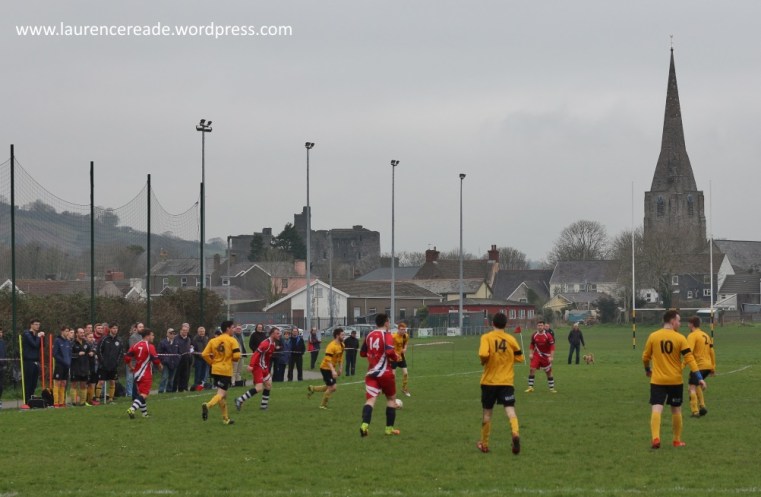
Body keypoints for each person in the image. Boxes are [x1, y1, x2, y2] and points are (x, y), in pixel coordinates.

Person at [642, 310, 706, 449]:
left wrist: (647, 369)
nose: (680, 323)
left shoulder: (653, 336)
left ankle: (656, 438)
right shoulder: (680, 338)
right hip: (675, 381)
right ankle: (676, 441)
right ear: (672, 321)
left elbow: (645, 357)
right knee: (676, 410)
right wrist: (699, 377)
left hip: (657, 380)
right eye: (678, 320)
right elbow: (690, 358)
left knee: (656, 408)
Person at [477, 312, 524, 454]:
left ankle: (484, 444)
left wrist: (485, 361)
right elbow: (520, 357)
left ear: (492, 323)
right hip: (506, 382)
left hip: (489, 382)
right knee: (510, 410)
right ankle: (515, 432)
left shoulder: (486, 337)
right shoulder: (511, 339)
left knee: (487, 413)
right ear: (506, 325)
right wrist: (507, 358)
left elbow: (483, 354)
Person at [359, 313, 401, 437]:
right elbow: (389, 351)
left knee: (370, 400)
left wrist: (373, 355)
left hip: (371, 373)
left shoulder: (369, 335)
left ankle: (364, 425)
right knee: (391, 399)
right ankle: (389, 429)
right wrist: (396, 357)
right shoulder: (387, 335)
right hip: (385, 373)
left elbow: (362, 353)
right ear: (386, 322)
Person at [201, 320, 241, 425]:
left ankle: (225, 419)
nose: (233, 329)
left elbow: (204, 354)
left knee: (223, 395)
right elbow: (237, 356)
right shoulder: (232, 340)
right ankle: (208, 405)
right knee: (221, 393)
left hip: (215, 370)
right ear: (227, 328)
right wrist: (231, 358)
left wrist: (212, 363)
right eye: (232, 327)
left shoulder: (213, 340)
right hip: (225, 370)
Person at [235, 327, 281, 412]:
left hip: (264, 367)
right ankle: (240, 399)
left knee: (268, 385)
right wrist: (251, 365)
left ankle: (263, 406)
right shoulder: (265, 344)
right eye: (277, 333)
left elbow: (267, 358)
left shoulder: (273, 343)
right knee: (259, 388)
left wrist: (267, 369)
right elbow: (256, 354)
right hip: (257, 367)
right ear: (272, 334)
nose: (279, 335)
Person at [125, 328, 162, 419]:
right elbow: (156, 360)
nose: (153, 337)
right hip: (146, 374)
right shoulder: (150, 346)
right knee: (144, 394)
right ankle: (132, 409)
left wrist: (131, 367)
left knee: (141, 394)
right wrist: (160, 366)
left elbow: (127, 357)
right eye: (152, 335)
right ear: (147, 336)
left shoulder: (135, 345)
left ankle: (144, 414)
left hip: (137, 373)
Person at [685, 316, 716, 418]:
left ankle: (695, 411)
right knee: (697, 385)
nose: (688, 325)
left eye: (688, 323)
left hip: (699, 366)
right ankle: (702, 406)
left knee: (691, 388)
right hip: (707, 366)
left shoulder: (692, 335)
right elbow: (712, 351)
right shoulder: (705, 335)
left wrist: (682, 365)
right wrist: (713, 367)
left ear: (692, 324)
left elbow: (688, 352)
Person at [308, 328, 345, 409]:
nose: (344, 336)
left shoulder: (342, 345)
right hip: (325, 368)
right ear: (337, 336)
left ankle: (313, 388)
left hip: (331, 368)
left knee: (331, 387)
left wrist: (340, 368)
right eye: (342, 335)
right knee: (332, 387)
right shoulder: (331, 346)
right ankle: (323, 405)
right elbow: (328, 360)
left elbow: (340, 358)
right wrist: (333, 371)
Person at [525, 320, 556, 393]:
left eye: (541, 325)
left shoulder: (548, 335)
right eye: (539, 325)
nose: (540, 327)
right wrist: (531, 353)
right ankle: (530, 387)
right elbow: (532, 344)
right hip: (537, 354)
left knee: (548, 372)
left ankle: (551, 388)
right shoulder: (534, 335)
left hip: (546, 356)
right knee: (532, 369)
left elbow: (552, 346)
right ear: (537, 326)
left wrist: (551, 357)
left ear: (544, 326)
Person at [97, 323, 123, 403]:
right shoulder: (104, 339)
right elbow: (99, 350)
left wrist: (117, 362)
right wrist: (102, 361)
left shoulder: (119, 340)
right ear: (110, 329)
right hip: (104, 365)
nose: (115, 330)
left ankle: (110, 399)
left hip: (113, 365)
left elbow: (121, 352)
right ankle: (97, 398)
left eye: (116, 328)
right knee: (101, 381)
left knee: (112, 381)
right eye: (113, 328)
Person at [22, 318, 44, 404]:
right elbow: (34, 345)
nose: (37, 326)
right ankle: (27, 400)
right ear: (31, 325)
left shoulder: (36, 335)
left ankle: (31, 399)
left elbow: (41, 345)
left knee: (34, 382)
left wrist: (42, 337)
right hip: (28, 361)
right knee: (28, 381)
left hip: (36, 360)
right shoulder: (27, 334)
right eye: (36, 324)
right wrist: (38, 336)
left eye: (39, 324)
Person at [52, 326, 73, 407]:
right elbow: (55, 354)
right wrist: (63, 361)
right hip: (59, 365)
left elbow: (69, 354)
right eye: (66, 331)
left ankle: (61, 402)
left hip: (66, 366)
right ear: (62, 331)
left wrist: (69, 362)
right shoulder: (57, 340)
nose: (67, 333)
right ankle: (56, 402)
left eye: (68, 331)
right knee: (57, 382)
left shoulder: (68, 342)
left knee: (64, 383)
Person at [70, 328, 91, 406]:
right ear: (76, 334)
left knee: (83, 384)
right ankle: (73, 402)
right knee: (74, 384)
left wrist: (92, 352)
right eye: (81, 333)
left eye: (83, 332)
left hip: (84, 367)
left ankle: (82, 403)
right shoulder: (72, 343)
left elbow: (90, 350)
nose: (82, 334)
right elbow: (69, 354)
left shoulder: (86, 343)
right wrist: (77, 354)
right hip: (75, 367)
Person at [392, 322, 412, 396]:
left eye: (404, 329)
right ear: (398, 329)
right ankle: (392, 391)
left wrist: (405, 348)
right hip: (393, 358)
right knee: (393, 376)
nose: (403, 331)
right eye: (401, 329)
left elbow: (406, 343)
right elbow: (389, 347)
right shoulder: (393, 336)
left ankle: (404, 389)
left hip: (402, 357)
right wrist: (395, 353)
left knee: (406, 373)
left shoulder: (406, 336)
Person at [158, 328, 179, 393]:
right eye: (170, 333)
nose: (172, 335)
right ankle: (161, 390)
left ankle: (169, 390)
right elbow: (159, 353)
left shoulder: (176, 342)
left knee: (171, 378)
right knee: (164, 377)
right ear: (167, 334)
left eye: (173, 333)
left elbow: (179, 353)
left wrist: (177, 360)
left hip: (174, 362)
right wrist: (163, 360)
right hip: (166, 363)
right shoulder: (162, 342)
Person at [125, 322, 143, 398]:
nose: (142, 328)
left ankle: (137, 392)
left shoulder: (142, 336)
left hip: (139, 361)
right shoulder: (133, 337)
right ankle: (129, 393)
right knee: (130, 377)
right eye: (140, 327)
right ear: (136, 328)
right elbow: (133, 348)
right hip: (132, 361)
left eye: (142, 327)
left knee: (138, 377)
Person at [175, 323, 193, 392]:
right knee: (177, 375)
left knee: (186, 374)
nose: (185, 332)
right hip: (178, 359)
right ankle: (175, 388)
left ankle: (184, 388)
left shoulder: (188, 339)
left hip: (187, 359)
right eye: (183, 330)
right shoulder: (176, 338)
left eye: (186, 331)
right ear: (181, 330)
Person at [192, 326, 209, 390]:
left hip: (205, 358)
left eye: (203, 331)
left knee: (203, 374)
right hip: (198, 359)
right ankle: (196, 386)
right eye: (200, 331)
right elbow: (193, 349)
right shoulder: (195, 339)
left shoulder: (206, 338)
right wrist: (199, 355)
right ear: (198, 332)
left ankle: (201, 386)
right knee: (198, 374)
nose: (202, 333)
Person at [85, 330, 100, 405]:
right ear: (86, 338)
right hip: (86, 366)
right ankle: (85, 400)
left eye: (92, 337)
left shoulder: (95, 344)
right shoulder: (84, 345)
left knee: (93, 383)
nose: (92, 338)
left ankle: (90, 400)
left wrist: (94, 352)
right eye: (90, 337)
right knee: (86, 384)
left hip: (93, 366)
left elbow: (96, 350)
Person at [0, 327, 5, 409]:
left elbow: (4, 353)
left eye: (1, 332)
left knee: (1, 386)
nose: (0, 334)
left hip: (1, 366)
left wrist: (4, 363)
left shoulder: (3, 342)